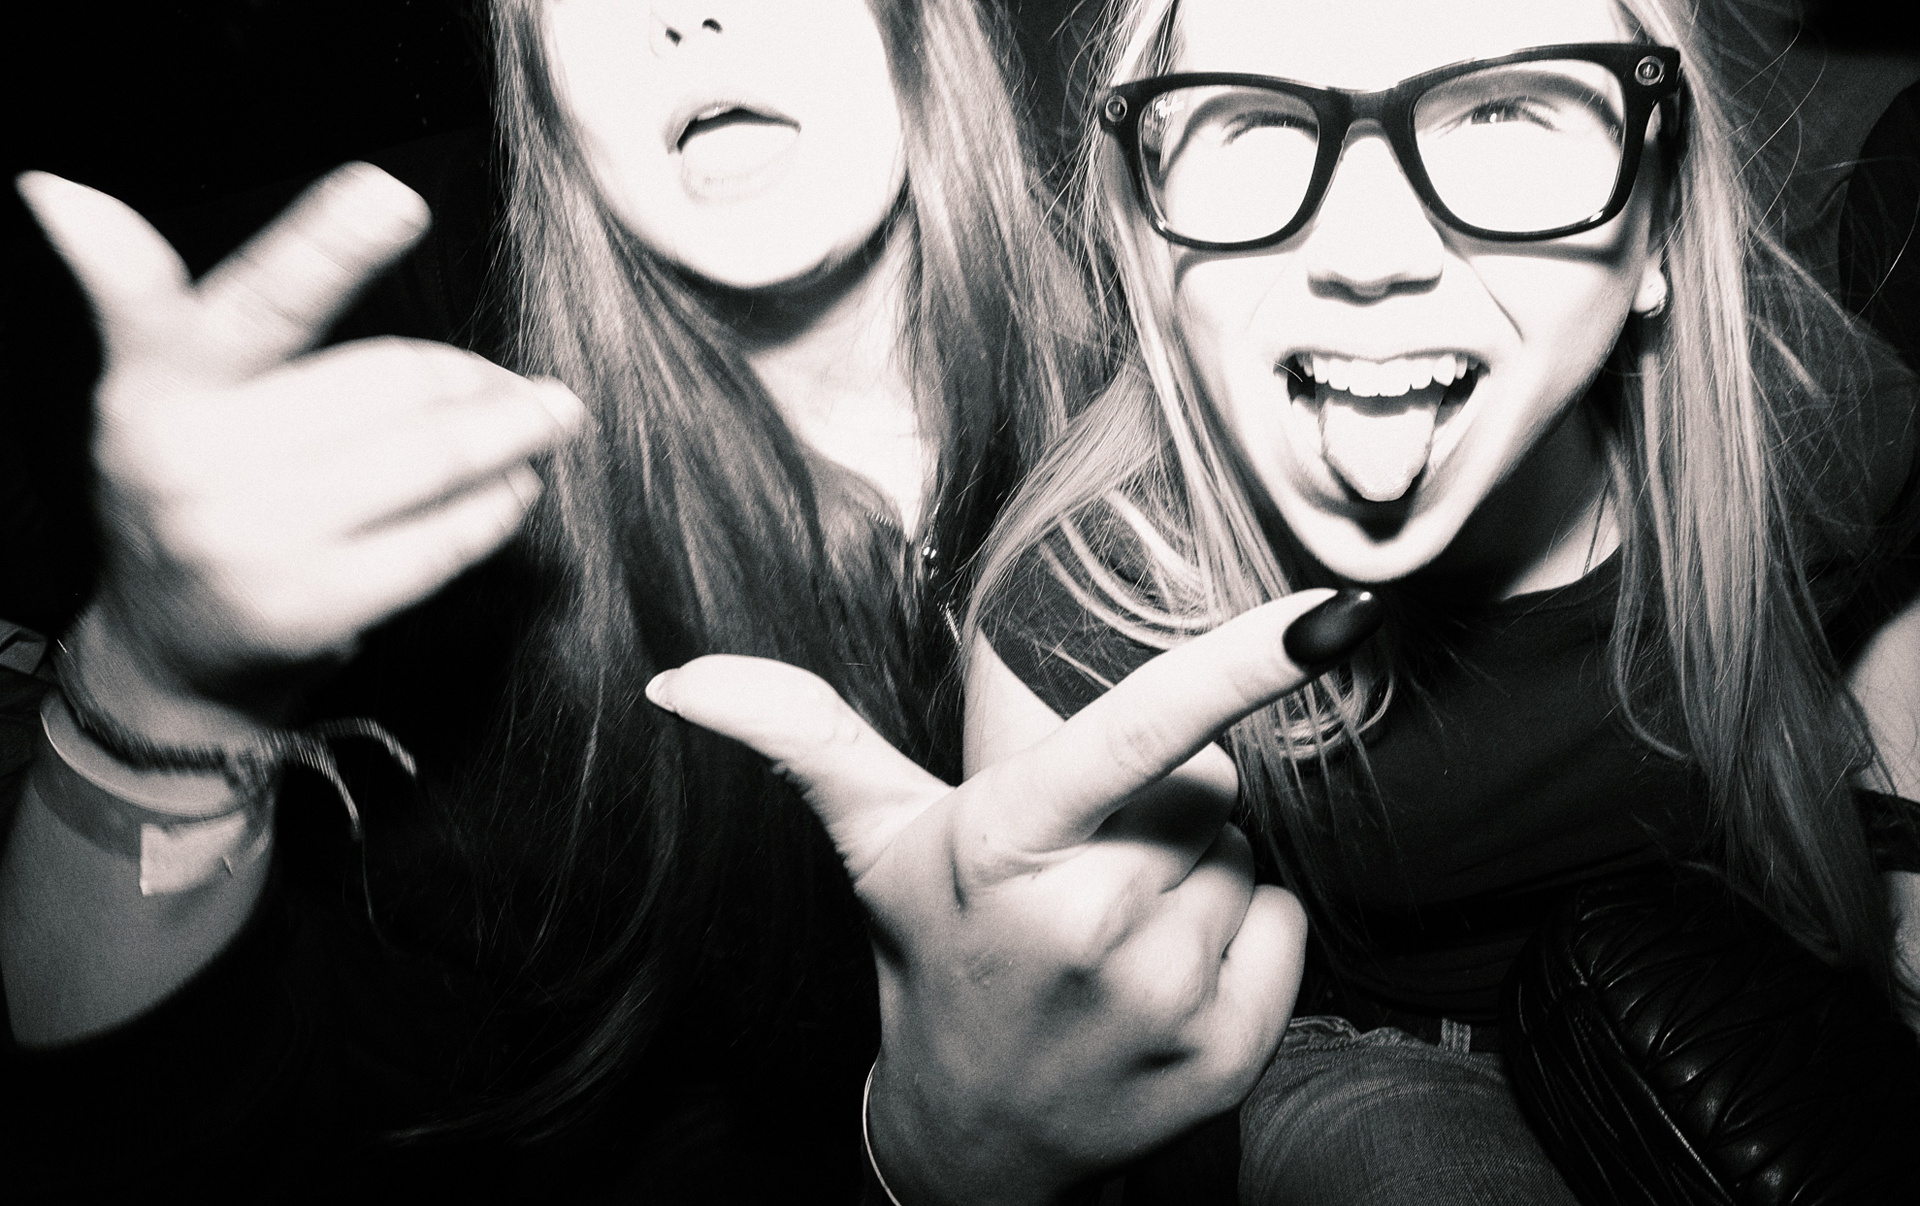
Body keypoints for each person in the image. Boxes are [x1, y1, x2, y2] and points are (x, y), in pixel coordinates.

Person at [0, 0, 1331, 1199]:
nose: (687, 16)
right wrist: (162, 676)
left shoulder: (1205, 366)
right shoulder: (494, 602)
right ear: (540, 87)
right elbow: (158, 1139)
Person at [653, 0, 1920, 1200]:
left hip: (1728, 1003)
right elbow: (1062, 1084)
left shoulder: (1810, 427)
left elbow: (1872, 697)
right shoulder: (1091, 629)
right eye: (1256, 122)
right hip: (1353, 1056)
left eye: (1502, 113)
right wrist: (946, 1144)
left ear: (1657, 230)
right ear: (1149, 248)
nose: (1369, 255)